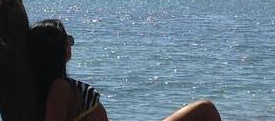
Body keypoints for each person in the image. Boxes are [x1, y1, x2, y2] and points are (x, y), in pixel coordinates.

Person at [28, 19, 222, 121]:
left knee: (205, 109)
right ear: (55, 50)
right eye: (67, 40)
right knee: (205, 110)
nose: (71, 43)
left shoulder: (51, 85)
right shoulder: (59, 88)